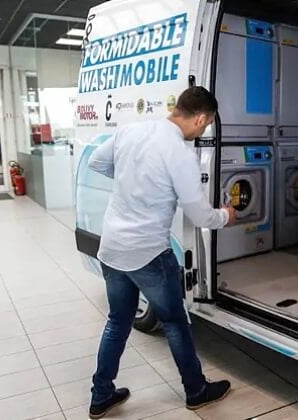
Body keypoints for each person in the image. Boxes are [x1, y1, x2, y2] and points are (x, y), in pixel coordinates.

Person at [87, 86, 236, 418]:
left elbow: (98, 160)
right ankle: (197, 391)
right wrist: (226, 215)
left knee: (117, 322)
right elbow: (200, 216)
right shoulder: (180, 153)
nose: (203, 130)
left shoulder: (131, 130)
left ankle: (101, 395)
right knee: (175, 322)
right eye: (206, 124)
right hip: (148, 253)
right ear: (200, 118)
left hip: (112, 248)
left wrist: (131, 178)